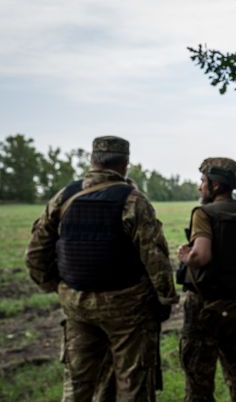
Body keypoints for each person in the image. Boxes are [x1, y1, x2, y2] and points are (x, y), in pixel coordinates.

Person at [25, 135, 178, 401]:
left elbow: (36, 251)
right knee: (132, 384)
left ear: (93, 160)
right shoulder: (133, 200)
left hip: (76, 304)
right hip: (127, 308)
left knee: (77, 383)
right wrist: (165, 299)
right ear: (125, 164)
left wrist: (58, 286)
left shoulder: (65, 195)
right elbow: (155, 258)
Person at [176, 157, 236, 402]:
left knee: (199, 377)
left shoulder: (203, 213)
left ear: (216, 185)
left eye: (204, 181)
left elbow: (201, 256)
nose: (200, 186)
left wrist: (185, 256)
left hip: (205, 307)